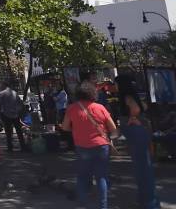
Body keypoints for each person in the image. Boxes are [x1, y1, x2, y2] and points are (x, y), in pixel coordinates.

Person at [61, 81, 117, 209]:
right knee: (101, 177)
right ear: (93, 93)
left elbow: (65, 127)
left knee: (82, 176)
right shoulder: (100, 107)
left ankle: (83, 204)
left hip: (82, 146)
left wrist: (76, 130)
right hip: (101, 146)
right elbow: (113, 129)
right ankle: (103, 206)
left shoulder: (72, 108)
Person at [116, 75, 161, 208]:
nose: (115, 86)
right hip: (138, 135)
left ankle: (150, 203)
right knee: (142, 169)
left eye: (117, 84)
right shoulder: (132, 96)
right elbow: (143, 107)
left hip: (137, 135)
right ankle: (146, 200)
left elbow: (137, 109)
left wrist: (133, 117)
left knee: (143, 170)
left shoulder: (127, 97)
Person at [0, 81, 26, 152]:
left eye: (0, 86)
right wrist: (18, 110)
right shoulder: (14, 92)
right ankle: (23, 146)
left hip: (6, 115)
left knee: (8, 132)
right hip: (15, 114)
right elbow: (21, 103)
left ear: (4, 86)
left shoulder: (2, 93)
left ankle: (10, 147)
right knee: (19, 131)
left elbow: (0, 105)